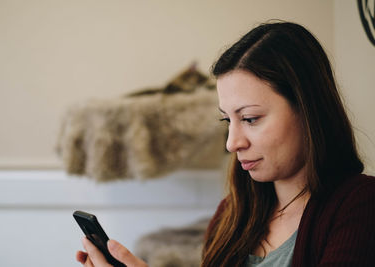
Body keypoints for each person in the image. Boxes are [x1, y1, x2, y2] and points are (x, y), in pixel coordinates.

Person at [76, 21, 375, 267]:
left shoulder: (360, 205)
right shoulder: (230, 216)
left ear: (308, 109)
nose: (232, 143)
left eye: (250, 118)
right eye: (226, 121)